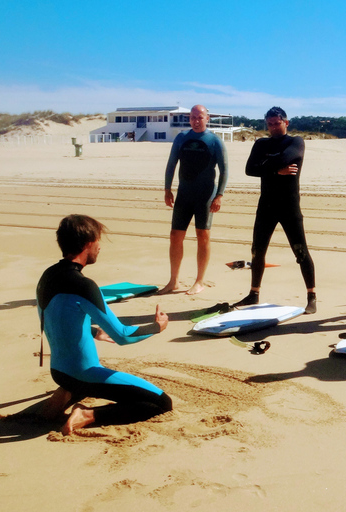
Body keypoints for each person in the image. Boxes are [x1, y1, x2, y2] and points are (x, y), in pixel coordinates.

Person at [36, 214, 173, 435]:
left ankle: (67, 392)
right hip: (84, 373)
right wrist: (157, 327)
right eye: (98, 241)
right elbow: (123, 336)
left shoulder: (47, 276)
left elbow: (54, 319)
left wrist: (92, 331)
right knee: (161, 403)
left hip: (58, 371)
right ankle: (86, 414)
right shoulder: (84, 286)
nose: (100, 247)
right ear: (88, 244)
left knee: (84, 380)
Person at [233, 107, 317, 314]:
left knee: (300, 251)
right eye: (269, 124)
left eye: (276, 123)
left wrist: (266, 165)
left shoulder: (296, 141)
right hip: (267, 205)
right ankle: (254, 293)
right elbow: (249, 169)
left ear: (286, 123)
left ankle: (311, 296)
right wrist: (276, 170)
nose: (272, 127)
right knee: (257, 250)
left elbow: (284, 158)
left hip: (289, 205)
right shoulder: (261, 143)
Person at [160, 104, 228, 295]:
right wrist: (167, 189)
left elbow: (225, 170)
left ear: (208, 119)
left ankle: (199, 281)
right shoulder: (181, 138)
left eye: (200, 117)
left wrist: (219, 195)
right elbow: (171, 164)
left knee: (203, 235)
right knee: (175, 236)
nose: (196, 121)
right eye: (193, 117)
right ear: (189, 119)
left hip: (205, 195)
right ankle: (173, 281)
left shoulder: (215, 141)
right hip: (184, 194)